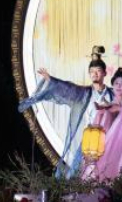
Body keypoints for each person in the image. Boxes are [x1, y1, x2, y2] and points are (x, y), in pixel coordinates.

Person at [18, 47, 114, 177]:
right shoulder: (84, 93)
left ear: (104, 73)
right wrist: (51, 80)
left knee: (108, 171)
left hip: (109, 138)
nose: (95, 74)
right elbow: (67, 88)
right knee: (78, 171)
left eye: (98, 71)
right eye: (91, 71)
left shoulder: (113, 94)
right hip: (90, 137)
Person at [89, 67, 122, 186]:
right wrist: (104, 112)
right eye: (116, 83)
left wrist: (120, 110)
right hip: (108, 147)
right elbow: (100, 126)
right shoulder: (107, 105)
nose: (118, 86)